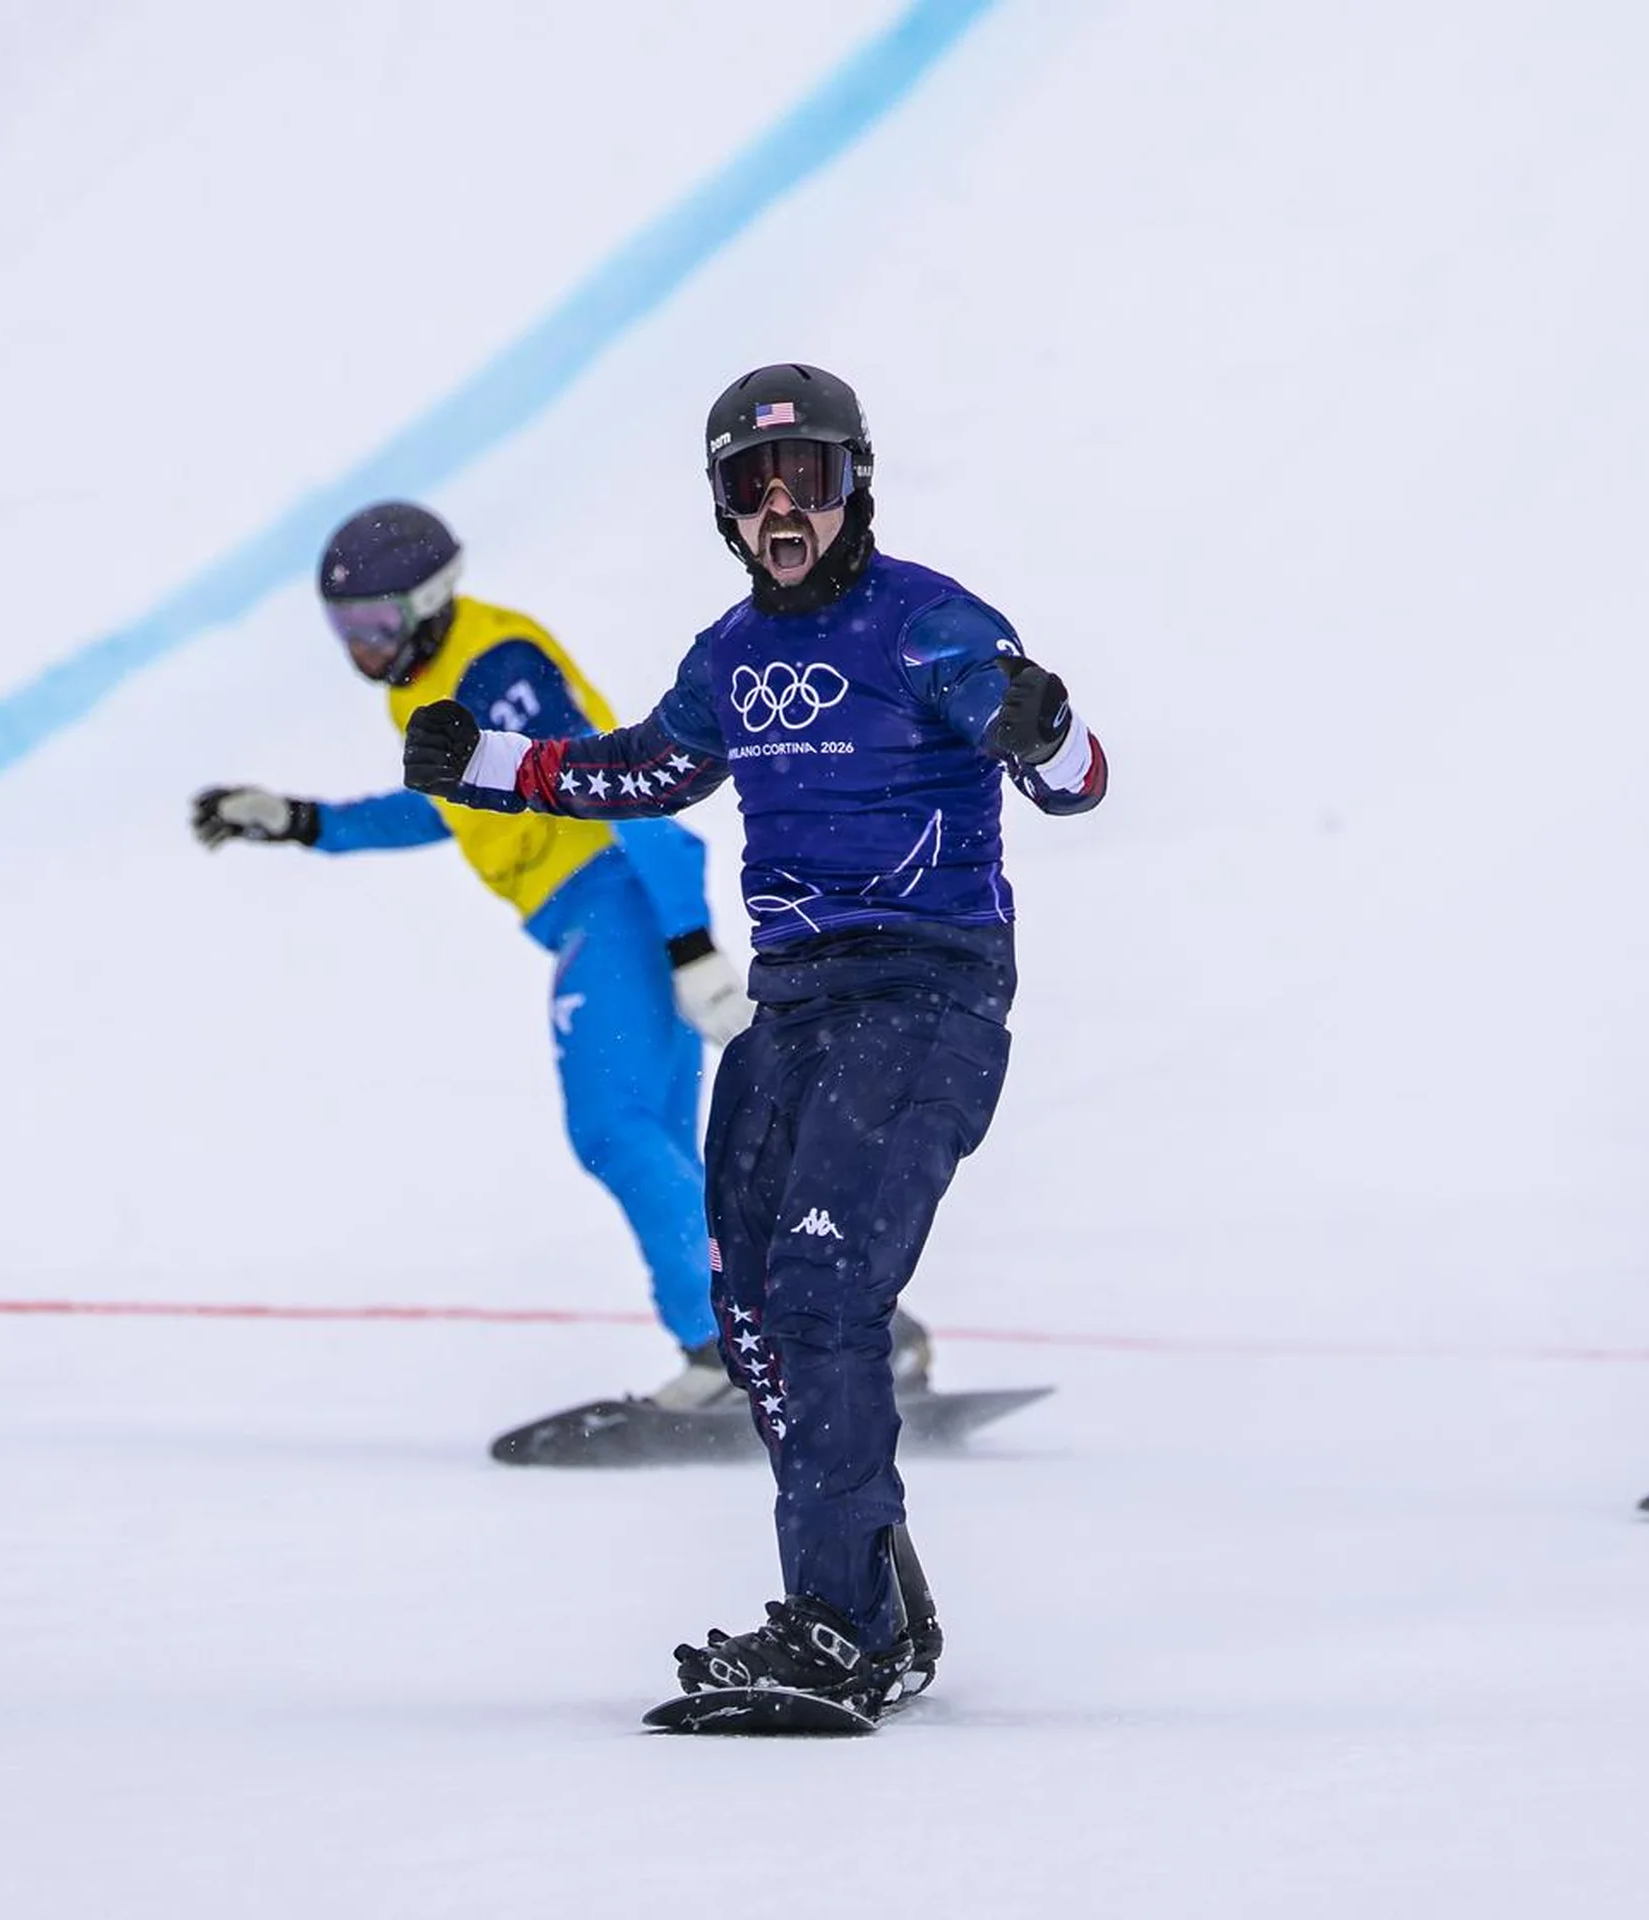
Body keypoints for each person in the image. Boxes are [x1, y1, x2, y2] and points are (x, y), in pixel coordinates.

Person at [400, 364, 1107, 1712]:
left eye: (813, 479)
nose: (785, 508)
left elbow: (1071, 784)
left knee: (828, 1293)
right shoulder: (730, 656)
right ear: (724, 510)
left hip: (925, 998)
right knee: (751, 1313)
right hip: (793, 1008)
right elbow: (650, 769)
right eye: (753, 485)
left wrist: (1051, 730)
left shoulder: (933, 630)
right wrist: (484, 767)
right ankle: (873, 1603)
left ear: (858, 486)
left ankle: (837, 1621)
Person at [192, 501, 879, 1408]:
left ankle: (730, 1349)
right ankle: (838, 1330)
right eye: (344, 631)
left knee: (613, 1130)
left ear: (431, 599)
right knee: (670, 1150)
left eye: (375, 625)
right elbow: (444, 805)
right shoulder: (433, 677)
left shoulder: (494, 663)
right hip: (607, 910)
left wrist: (689, 943)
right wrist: (302, 822)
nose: (360, 649)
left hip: (617, 901)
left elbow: (611, 780)